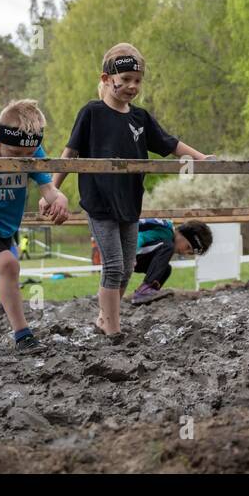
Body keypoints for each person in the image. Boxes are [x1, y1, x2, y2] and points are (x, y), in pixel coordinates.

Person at [51, 43, 212, 339]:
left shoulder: (140, 119)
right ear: (106, 78)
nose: (131, 86)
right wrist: (51, 189)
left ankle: (104, 318)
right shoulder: (92, 113)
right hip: (100, 202)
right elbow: (69, 153)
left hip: (130, 203)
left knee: (127, 267)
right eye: (124, 79)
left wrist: (202, 159)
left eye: (136, 80)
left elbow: (170, 144)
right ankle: (112, 328)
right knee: (113, 266)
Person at [0, 100, 69, 354]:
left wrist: (60, 200)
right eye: (16, 154)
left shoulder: (33, 154)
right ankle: (23, 335)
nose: (23, 159)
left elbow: (48, 189)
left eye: (28, 154)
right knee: (9, 264)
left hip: (4, 231)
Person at [129, 218, 214, 305]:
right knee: (168, 246)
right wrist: (131, 256)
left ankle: (147, 295)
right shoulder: (164, 230)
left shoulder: (167, 235)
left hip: (133, 255)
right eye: (187, 247)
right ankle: (144, 290)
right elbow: (138, 236)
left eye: (189, 253)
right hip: (124, 251)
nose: (184, 253)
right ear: (181, 233)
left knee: (166, 269)